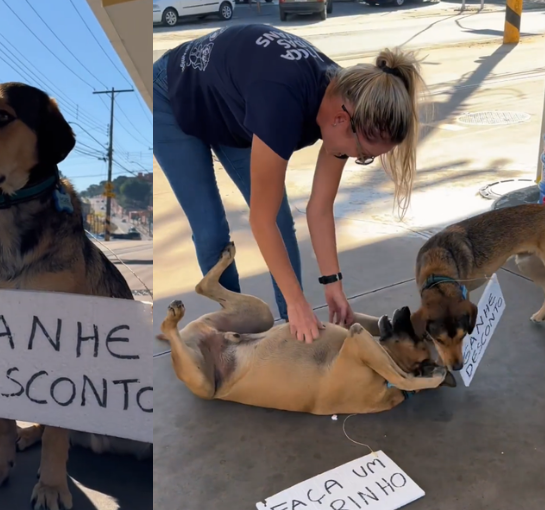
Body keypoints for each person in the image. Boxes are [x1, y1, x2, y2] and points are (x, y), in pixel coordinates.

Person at [153, 24, 425, 343]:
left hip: (231, 105)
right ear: (342, 121)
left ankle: (290, 329)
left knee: (280, 219)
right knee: (212, 228)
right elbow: (260, 221)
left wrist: (332, 284)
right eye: (362, 155)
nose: (356, 160)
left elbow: (320, 208)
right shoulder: (282, 104)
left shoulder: (351, 99)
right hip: (174, 95)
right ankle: (233, 328)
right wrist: (299, 304)